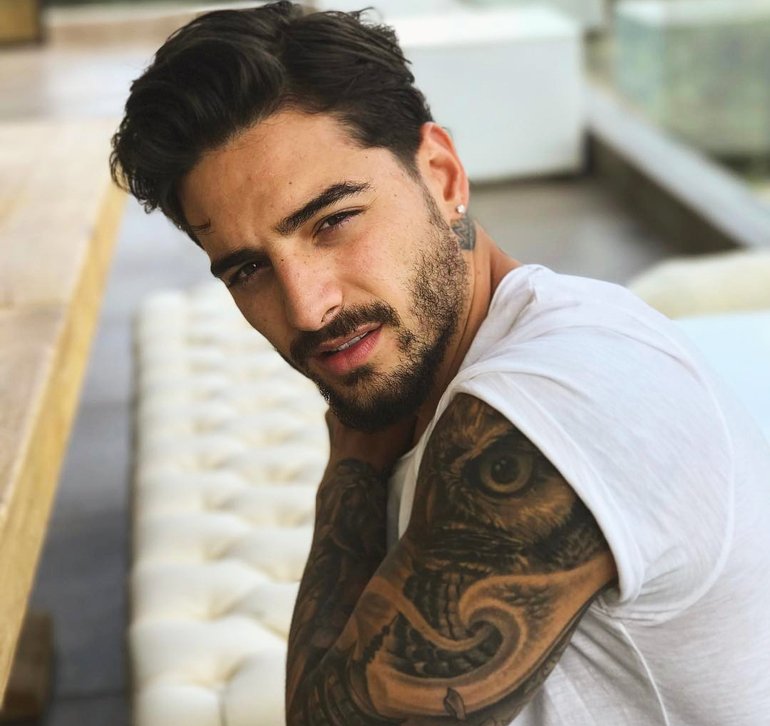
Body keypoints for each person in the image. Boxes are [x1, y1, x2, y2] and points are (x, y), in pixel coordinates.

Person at [110, 3, 770, 724]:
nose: (308, 309)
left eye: (333, 221)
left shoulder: (556, 402)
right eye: (248, 270)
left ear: (443, 176)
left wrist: (351, 466)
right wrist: (356, 462)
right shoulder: (438, 373)